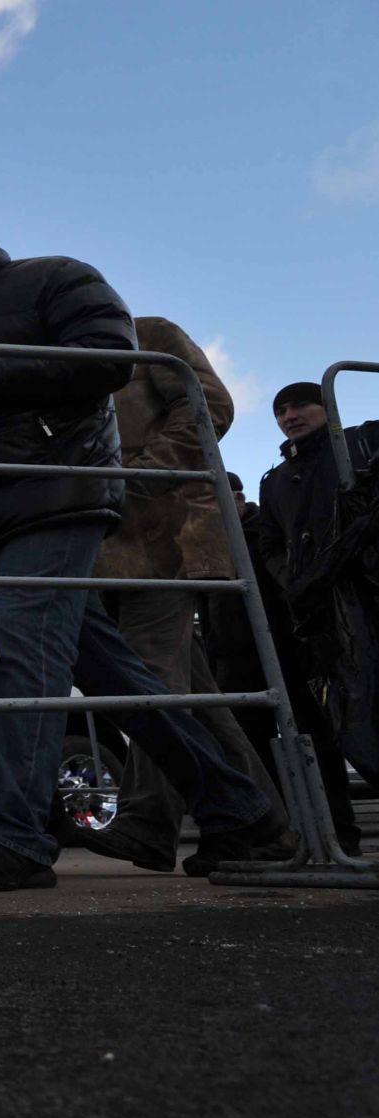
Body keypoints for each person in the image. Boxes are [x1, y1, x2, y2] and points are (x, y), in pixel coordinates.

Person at [0, 191, 281, 890]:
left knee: (24, 659)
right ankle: (243, 816)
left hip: (57, 497)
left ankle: (13, 835)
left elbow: (104, 361)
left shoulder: (54, 277)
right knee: (113, 676)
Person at [74, 318, 292, 873]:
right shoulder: (54, 363)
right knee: (195, 694)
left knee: (151, 676)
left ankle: (149, 821)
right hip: (106, 545)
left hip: (164, 534)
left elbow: (209, 405)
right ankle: (263, 827)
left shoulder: (147, 335)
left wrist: (142, 473)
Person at [204, 472, 364, 853]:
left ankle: (339, 832)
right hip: (235, 658)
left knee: (314, 739)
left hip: (289, 650)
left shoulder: (265, 536)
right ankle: (279, 835)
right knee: (251, 747)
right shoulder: (210, 544)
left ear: (239, 500)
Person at [254, 380, 379, 786]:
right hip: (324, 612)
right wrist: (294, 577)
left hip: (370, 591)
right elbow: (269, 542)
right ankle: (340, 831)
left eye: (300, 405)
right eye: (281, 411)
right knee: (349, 720)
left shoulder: (363, 442)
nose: (290, 417)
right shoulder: (274, 482)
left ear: (328, 406)